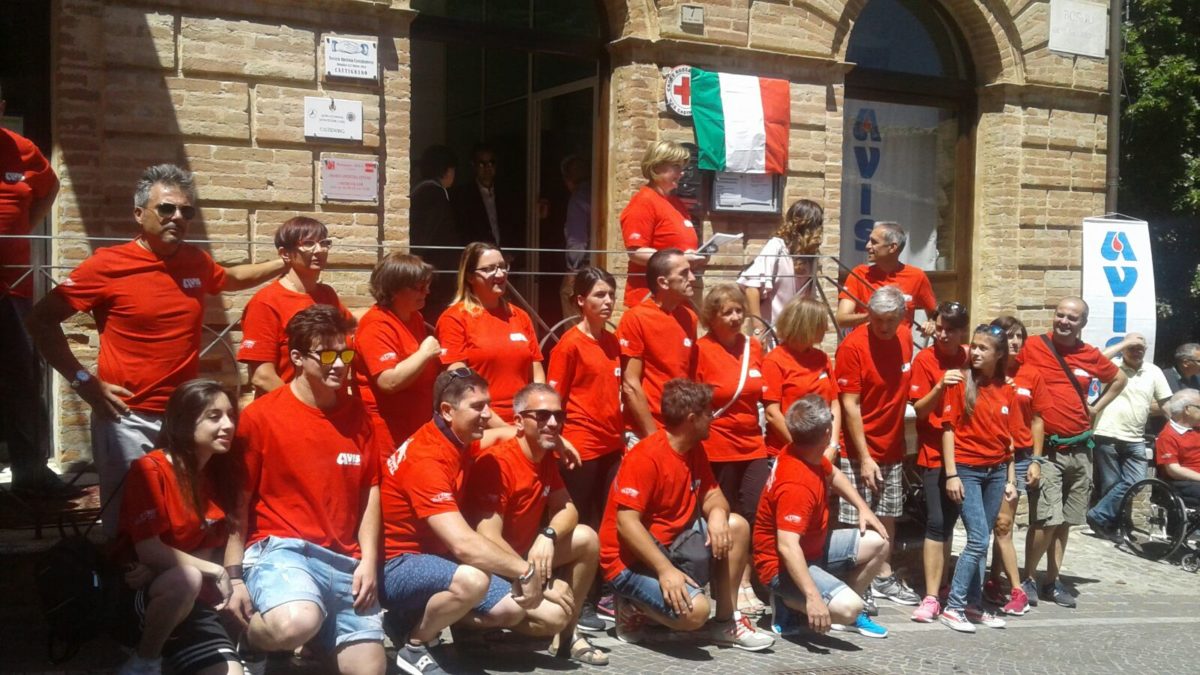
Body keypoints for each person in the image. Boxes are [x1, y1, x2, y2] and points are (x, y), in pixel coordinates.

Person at [26, 164, 284, 534]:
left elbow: (232, 277)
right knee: (130, 529)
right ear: (139, 213)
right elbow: (40, 320)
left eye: (186, 211)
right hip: (126, 419)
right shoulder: (107, 265)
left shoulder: (195, 261)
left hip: (185, 419)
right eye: (166, 208)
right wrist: (83, 381)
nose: (177, 217)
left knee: (184, 521)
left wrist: (285, 262)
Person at [227, 305, 387, 675]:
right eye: (327, 355)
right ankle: (250, 639)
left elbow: (370, 491)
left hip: (344, 561)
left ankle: (314, 634)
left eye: (345, 354)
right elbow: (238, 502)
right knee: (296, 622)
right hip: (282, 550)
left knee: (370, 671)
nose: (339, 365)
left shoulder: (358, 416)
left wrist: (368, 560)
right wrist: (233, 577)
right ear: (297, 357)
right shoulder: (261, 416)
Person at [378, 369, 561, 675]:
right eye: (477, 407)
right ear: (448, 411)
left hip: (434, 557)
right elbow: (463, 544)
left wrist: (558, 441)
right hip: (396, 564)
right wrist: (526, 571)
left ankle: (405, 619)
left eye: (488, 404)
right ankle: (415, 645)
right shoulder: (427, 459)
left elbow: (501, 434)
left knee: (511, 608)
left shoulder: (458, 438)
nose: (488, 414)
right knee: (473, 580)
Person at [598, 379, 774, 651]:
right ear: (692, 419)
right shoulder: (646, 456)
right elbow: (626, 524)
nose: (713, 418)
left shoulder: (694, 450)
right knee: (696, 613)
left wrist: (717, 514)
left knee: (736, 526)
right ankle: (631, 607)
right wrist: (665, 570)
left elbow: (713, 495)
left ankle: (726, 622)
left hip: (672, 545)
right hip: (629, 562)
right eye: (709, 413)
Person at [463, 384, 608, 666]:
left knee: (587, 538)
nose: (553, 423)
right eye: (541, 416)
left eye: (558, 415)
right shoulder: (497, 462)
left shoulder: (543, 457)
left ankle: (568, 636)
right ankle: (464, 623)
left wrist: (548, 535)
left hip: (523, 556)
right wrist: (536, 578)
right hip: (487, 565)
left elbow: (567, 508)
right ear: (519, 421)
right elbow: (488, 537)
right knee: (552, 617)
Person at [115, 380, 244, 675]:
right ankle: (144, 661)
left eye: (230, 415)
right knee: (185, 578)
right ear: (184, 422)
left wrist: (166, 564)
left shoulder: (218, 475)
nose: (228, 425)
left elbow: (206, 547)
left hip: (194, 603)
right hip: (145, 597)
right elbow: (148, 549)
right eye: (214, 417)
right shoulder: (150, 469)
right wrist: (216, 571)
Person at [1018, 297, 1126, 608]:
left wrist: (1096, 408)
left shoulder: (1089, 354)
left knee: (1065, 521)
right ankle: (1028, 578)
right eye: (1060, 315)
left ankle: (1052, 580)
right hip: (1048, 449)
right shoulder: (1033, 346)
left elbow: (1119, 379)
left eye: (1072, 318)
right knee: (1046, 519)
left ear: (1083, 323)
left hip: (1080, 449)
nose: (1064, 321)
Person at [754, 395, 891, 640]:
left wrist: (863, 508)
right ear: (828, 433)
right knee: (849, 608)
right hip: (780, 566)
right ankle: (788, 601)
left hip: (812, 549)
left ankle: (840, 604)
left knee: (880, 542)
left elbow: (833, 474)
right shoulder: (796, 484)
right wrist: (813, 597)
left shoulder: (803, 451)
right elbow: (787, 547)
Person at [0, 86, 69, 496]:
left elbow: (50, 187)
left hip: (15, 287)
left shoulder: (22, 149)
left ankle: (31, 474)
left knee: (23, 380)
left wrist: (24, 228)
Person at [834, 285, 920, 610]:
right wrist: (865, 456)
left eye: (890, 320)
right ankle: (857, 581)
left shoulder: (905, 338)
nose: (883, 326)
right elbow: (850, 404)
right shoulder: (853, 346)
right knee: (855, 518)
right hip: (859, 447)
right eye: (877, 319)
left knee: (888, 513)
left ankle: (882, 575)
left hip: (892, 443)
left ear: (902, 317)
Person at [546, 268, 622, 629]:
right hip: (581, 447)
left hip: (611, 446)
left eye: (611, 294)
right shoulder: (569, 345)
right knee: (579, 524)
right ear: (581, 301)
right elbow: (553, 400)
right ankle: (575, 599)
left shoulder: (613, 342)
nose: (608, 302)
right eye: (599, 295)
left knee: (608, 521)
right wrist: (560, 441)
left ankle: (602, 593)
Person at [694, 283, 770, 616]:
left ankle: (746, 579)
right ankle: (726, 584)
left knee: (755, 511)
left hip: (753, 445)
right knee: (723, 518)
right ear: (712, 317)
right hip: (716, 447)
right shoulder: (701, 349)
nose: (736, 317)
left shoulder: (754, 346)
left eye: (740, 310)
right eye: (728, 312)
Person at [936, 324, 1018, 633]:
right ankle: (954, 606)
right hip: (967, 470)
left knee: (982, 540)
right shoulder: (959, 382)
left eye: (984, 348)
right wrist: (952, 474)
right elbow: (948, 430)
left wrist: (1010, 478)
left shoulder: (1006, 387)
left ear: (999, 354)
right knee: (978, 538)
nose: (976, 352)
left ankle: (973, 604)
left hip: (995, 472)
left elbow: (1008, 439)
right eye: (975, 346)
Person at [906, 301, 969, 623]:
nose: (943, 335)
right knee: (935, 521)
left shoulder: (970, 356)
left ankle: (945, 584)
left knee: (949, 522)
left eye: (950, 330)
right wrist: (940, 385)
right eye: (939, 328)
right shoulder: (925, 359)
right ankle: (931, 595)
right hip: (933, 453)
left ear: (962, 332)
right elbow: (919, 410)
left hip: (967, 453)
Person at [238, 216, 349, 396]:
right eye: (308, 244)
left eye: (324, 243)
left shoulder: (327, 294)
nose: (319, 250)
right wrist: (300, 405)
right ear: (285, 254)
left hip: (331, 406)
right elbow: (262, 376)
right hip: (288, 407)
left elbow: (352, 326)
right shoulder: (266, 302)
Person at [437, 242, 543, 425]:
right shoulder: (454, 318)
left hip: (523, 421)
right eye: (489, 269)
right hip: (481, 424)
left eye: (502, 266)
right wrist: (503, 428)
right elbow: (459, 384)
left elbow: (537, 373)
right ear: (470, 276)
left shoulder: (520, 316)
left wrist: (536, 415)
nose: (500, 274)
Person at [985, 315, 1049, 616]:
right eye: (1009, 335)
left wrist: (1036, 459)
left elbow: (1038, 419)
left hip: (1020, 456)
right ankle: (991, 580)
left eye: (1019, 336)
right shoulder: (985, 372)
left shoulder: (1031, 374)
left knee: (1004, 521)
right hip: (988, 454)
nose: (1014, 341)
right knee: (995, 522)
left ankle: (997, 579)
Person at [352, 253, 441, 451]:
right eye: (419, 287)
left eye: (427, 285)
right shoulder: (376, 325)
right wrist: (425, 353)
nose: (426, 291)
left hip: (414, 425)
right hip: (387, 433)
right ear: (393, 290)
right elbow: (388, 381)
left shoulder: (414, 317)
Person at [1087, 332, 1171, 538]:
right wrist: (1124, 343)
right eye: (1131, 347)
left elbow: (1165, 403)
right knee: (1111, 484)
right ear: (1123, 348)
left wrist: (1176, 426)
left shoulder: (1153, 371)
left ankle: (1098, 515)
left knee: (1136, 481)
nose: (1136, 351)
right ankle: (1112, 527)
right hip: (1106, 433)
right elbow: (1093, 360)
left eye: (1140, 348)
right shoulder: (1112, 365)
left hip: (1135, 437)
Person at [617, 248, 699, 440]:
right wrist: (652, 436)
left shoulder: (689, 318)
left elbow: (691, 375)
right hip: (645, 431)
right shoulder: (636, 318)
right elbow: (630, 384)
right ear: (663, 282)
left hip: (681, 429)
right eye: (684, 273)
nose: (692, 278)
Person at [619, 140, 701, 308]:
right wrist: (680, 259)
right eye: (676, 166)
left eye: (682, 167)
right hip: (651, 299)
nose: (682, 173)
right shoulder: (644, 202)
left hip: (677, 298)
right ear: (656, 167)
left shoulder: (675, 203)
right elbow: (636, 252)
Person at [762, 298, 839, 459]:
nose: (826, 328)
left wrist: (832, 445)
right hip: (788, 452)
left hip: (824, 452)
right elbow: (772, 414)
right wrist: (804, 451)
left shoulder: (822, 358)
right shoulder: (775, 360)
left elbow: (834, 404)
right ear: (806, 326)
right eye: (821, 324)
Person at [835, 221, 936, 336]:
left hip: (900, 344)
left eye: (874, 242)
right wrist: (873, 316)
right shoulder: (859, 273)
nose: (867, 246)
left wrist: (931, 325)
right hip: (865, 342)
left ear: (892, 247)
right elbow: (841, 319)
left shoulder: (917, 276)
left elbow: (934, 315)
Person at [737, 199, 823, 329]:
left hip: (797, 333)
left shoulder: (810, 255)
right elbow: (751, 287)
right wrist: (758, 327)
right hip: (772, 331)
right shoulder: (777, 246)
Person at [409, 145, 460, 317]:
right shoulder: (432, 193)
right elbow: (424, 233)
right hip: (434, 274)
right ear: (447, 170)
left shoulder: (424, 190)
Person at [452, 143, 516, 247]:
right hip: (478, 253)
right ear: (473, 165)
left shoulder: (507, 193)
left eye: (491, 163)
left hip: (505, 253)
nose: (487, 168)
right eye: (482, 164)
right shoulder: (463, 196)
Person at [559, 155, 592, 319]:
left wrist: (573, 270)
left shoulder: (578, 197)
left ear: (569, 180)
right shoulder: (595, 192)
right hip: (596, 265)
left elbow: (577, 238)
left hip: (582, 267)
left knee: (568, 297)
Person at [1156, 388, 1200, 508]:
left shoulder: (1197, 428)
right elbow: (1173, 470)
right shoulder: (1168, 435)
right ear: (1187, 409)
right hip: (1186, 482)